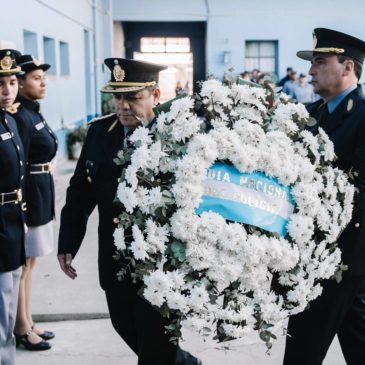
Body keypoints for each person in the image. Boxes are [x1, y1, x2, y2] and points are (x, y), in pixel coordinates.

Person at [57, 58, 201, 365]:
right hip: (115, 260)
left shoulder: (178, 137)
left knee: (155, 350)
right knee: (126, 328)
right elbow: (80, 193)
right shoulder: (99, 134)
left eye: (133, 97)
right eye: (117, 96)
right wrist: (68, 242)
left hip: (164, 265)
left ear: (156, 95)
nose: (123, 106)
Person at [283, 28, 365, 365]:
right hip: (315, 255)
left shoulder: (362, 116)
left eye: (320, 62)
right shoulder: (311, 116)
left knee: (302, 351)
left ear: (347, 67)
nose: (311, 71)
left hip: (345, 255)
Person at [10, 55, 57, 351]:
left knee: (32, 261)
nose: (43, 82)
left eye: (43, 77)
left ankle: (27, 318)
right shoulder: (20, 116)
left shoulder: (33, 112)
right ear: (22, 82)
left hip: (42, 189)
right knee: (25, 263)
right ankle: (21, 327)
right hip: (29, 193)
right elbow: (19, 165)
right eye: (36, 78)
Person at [0, 49, 26, 365]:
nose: (7, 90)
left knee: (8, 296)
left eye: (11, 82)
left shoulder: (10, 119)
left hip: (11, 219)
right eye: (1, 84)